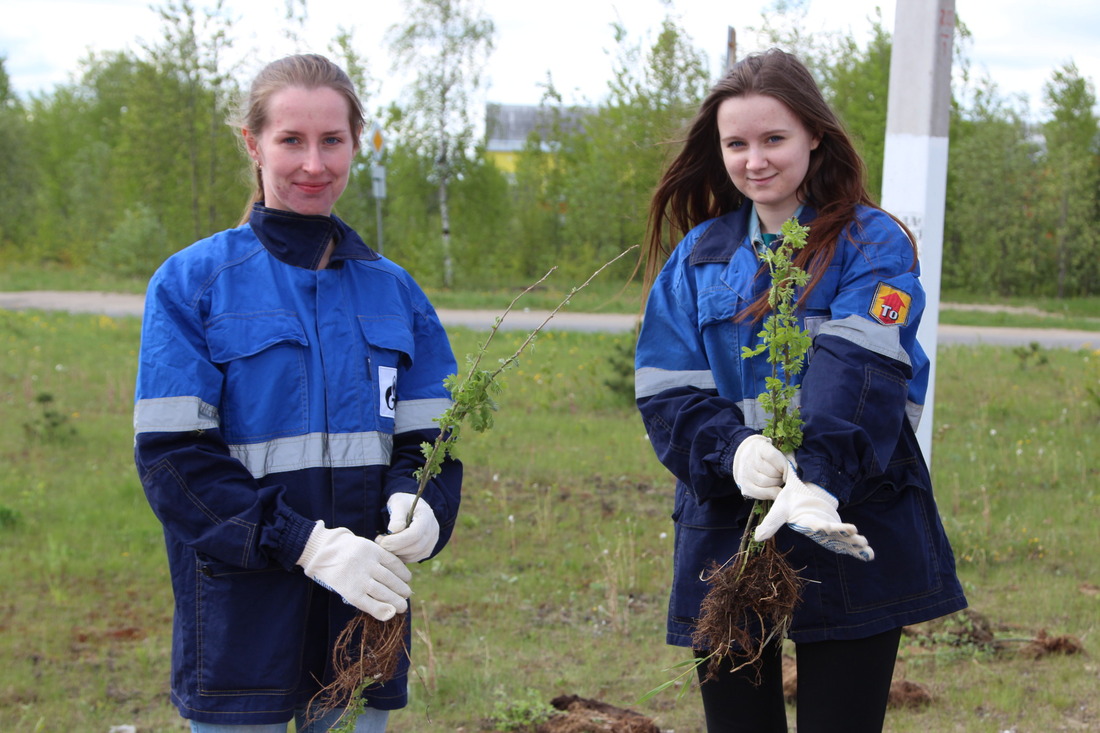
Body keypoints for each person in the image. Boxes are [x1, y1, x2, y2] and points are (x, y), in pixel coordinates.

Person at [634, 48, 966, 732]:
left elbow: (859, 371)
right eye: (737, 143)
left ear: (814, 134)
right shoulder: (698, 257)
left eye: (774, 139)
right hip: (731, 523)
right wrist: (732, 451)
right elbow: (668, 391)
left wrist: (817, 476)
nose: (755, 160)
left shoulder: (873, 244)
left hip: (848, 515)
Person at [133, 54, 462, 733]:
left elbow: (432, 437)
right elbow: (175, 463)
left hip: (362, 625)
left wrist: (422, 497)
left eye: (332, 140)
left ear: (356, 143)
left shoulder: (397, 292)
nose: (314, 163)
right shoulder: (191, 284)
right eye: (291, 140)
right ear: (253, 144)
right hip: (240, 626)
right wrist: (308, 545)